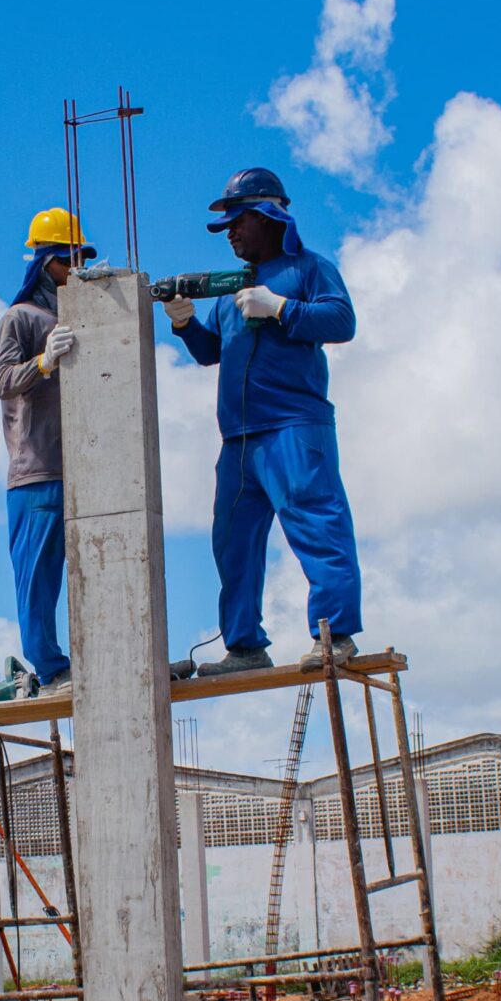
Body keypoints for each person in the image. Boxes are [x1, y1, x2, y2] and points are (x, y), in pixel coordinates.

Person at [164, 168, 363, 676]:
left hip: (295, 427)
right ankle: (244, 646)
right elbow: (214, 352)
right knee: (232, 543)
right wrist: (186, 324)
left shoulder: (309, 270)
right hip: (238, 441)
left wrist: (281, 309)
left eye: (237, 222)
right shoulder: (234, 290)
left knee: (318, 526)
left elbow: (342, 322)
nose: (230, 233)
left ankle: (334, 636)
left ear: (268, 217)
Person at [0, 207, 91, 695]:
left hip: (81, 471)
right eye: (68, 260)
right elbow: (4, 381)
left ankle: (83, 658)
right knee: (38, 579)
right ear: (47, 261)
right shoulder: (21, 318)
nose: (75, 269)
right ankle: (51, 668)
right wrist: (44, 361)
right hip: (36, 473)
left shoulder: (74, 318)